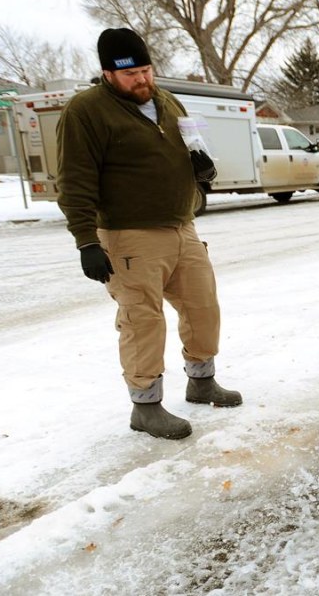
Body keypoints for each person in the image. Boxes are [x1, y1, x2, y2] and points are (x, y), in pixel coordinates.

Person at [56, 28, 241, 440]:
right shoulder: (85, 112)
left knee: (202, 307)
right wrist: (86, 240)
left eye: (145, 70)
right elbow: (74, 181)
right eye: (130, 74)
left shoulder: (165, 99)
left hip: (182, 225)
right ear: (107, 74)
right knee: (142, 320)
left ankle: (201, 380)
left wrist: (200, 165)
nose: (141, 80)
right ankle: (146, 405)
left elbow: (188, 140)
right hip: (129, 234)